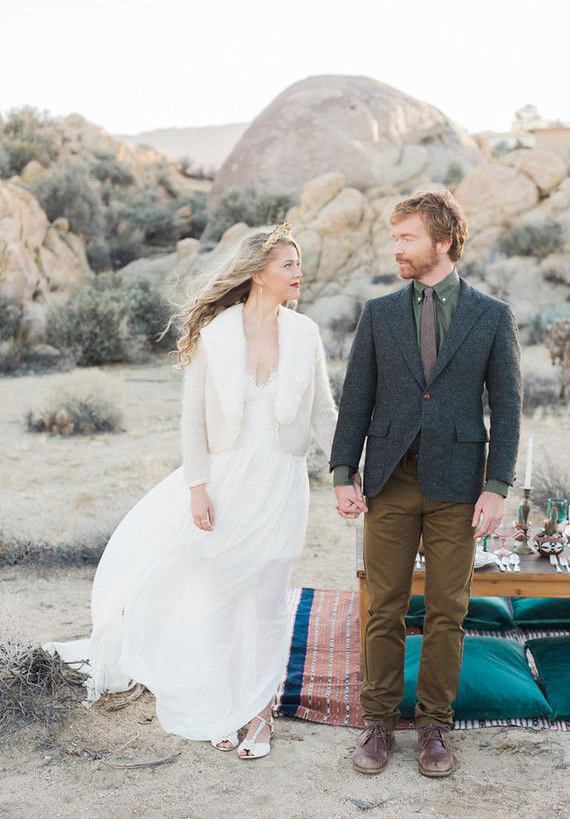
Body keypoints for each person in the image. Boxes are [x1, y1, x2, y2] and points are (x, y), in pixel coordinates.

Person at [47, 223, 337, 759]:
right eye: (288, 265)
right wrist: (197, 487)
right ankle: (220, 706)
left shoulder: (307, 335)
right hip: (226, 483)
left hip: (280, 483)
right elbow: (193, 418)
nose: (299, 273)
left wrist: (349, 473)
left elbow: (323, 413)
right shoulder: (218, 333)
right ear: (258, 273)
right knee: (219, 598)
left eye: (299, 264)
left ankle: (261, 716)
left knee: (268, 603)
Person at [330, 190, 522, 777]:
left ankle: (436, 725)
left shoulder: (492, 315)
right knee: (383, 608)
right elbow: (356, 396)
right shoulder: (378, 312)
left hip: (459, 484)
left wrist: (496, 485)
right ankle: (379, 723)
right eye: (395, 238)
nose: (398, 248)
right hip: (388, 479)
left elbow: (507, 405)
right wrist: (343, 472)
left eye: (407, 238)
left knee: (447, 609)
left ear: (443, 242)